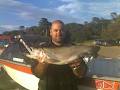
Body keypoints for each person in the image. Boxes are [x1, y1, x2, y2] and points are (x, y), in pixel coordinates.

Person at [31, 20, 87, 90]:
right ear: (50, 32)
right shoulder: (42, 48)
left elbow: (81, 74)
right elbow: (37, 74)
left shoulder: (73, 48)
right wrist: (42, 64)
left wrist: (77, 67)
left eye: (61, 30)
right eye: (55, 30)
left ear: (65, 32)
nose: (59, 33)